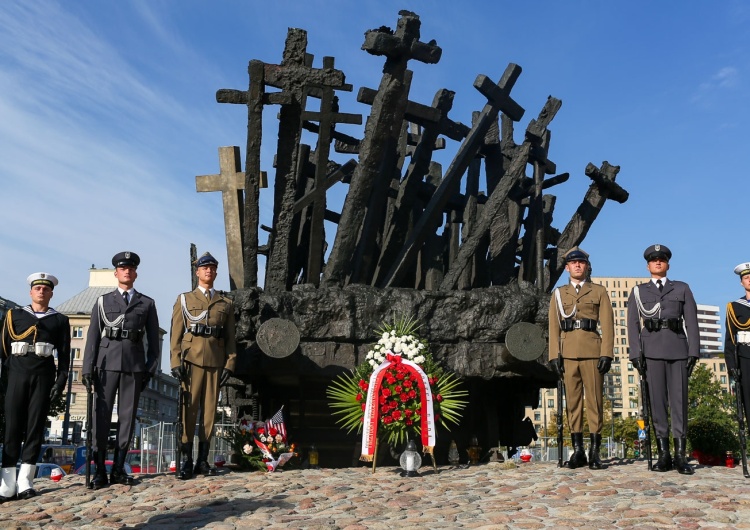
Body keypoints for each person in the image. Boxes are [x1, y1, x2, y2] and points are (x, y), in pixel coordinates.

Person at [82, 252, 160, 489]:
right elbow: (93, 338)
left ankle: (118, 469)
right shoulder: (103, 301)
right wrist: (87, 369)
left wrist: (149, 370)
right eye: (122, 268)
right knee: (101, 418)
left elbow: (154, 343)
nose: (127, 271)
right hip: (106, 365)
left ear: (136, 273)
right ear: (116, 273)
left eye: (131, 268)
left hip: (134, 366)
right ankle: (99, 472)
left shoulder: (147, 303)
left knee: (127, 419)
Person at [627, 244, 699, 474]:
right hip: (651, 352)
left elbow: (692, 322)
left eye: (662, 259)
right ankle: (663, 454)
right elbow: (632, 324)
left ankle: (680, 456)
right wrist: (635, 353)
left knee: (679, 404)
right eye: (654, 260)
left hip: (678, 350)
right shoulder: (639, 291)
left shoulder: (682, 288)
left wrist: (694, 352)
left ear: (667, 264)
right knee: (657, 405)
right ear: (648, 265)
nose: (658, 262)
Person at [0, 273, 70, 501]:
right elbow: (3, 351)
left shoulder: (59, 320)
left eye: (45, 289)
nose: (41, 291)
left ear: (51, 293)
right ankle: (7, 483)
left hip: (43, 375)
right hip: (16, 374)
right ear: (30, 292)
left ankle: (25, 481)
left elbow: (65, 355)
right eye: (37, 288)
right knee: (11, 427)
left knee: (34, 427)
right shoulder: (14, 315)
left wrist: (60, 382)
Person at [170, 252, 236, 480]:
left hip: (215, 362)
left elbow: (230, 337)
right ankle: (187, 460)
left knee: (209, 414)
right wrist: (176, 361)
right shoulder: (184, 300)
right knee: (188, 411)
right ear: (197, 272)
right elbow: (176, 334)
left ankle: (203, 460)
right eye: (204, 268)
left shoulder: (225, 303)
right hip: (191, 361)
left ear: (216, 272)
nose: (208, 271)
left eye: (212, 268)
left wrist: (230, 364)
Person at [548, 247, 614, 469]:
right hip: (567, 354)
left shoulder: (599, 291)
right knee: (573, 404)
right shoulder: (559, 294)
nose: (577, 265)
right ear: (567, 268)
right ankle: (578, 451)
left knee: (594, 401)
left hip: (592, 351)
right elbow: (553, 327)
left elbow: (608, 325)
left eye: (581, 263)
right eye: (573, 263)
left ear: (587, 267)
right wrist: (554, 355)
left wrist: (607, 353)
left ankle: (595, 451)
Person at [724, 262, 750, 450]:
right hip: (745, 359)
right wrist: (733, 370)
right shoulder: (734, 308)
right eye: (747, 277)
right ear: (741, 282)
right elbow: (730, 341)